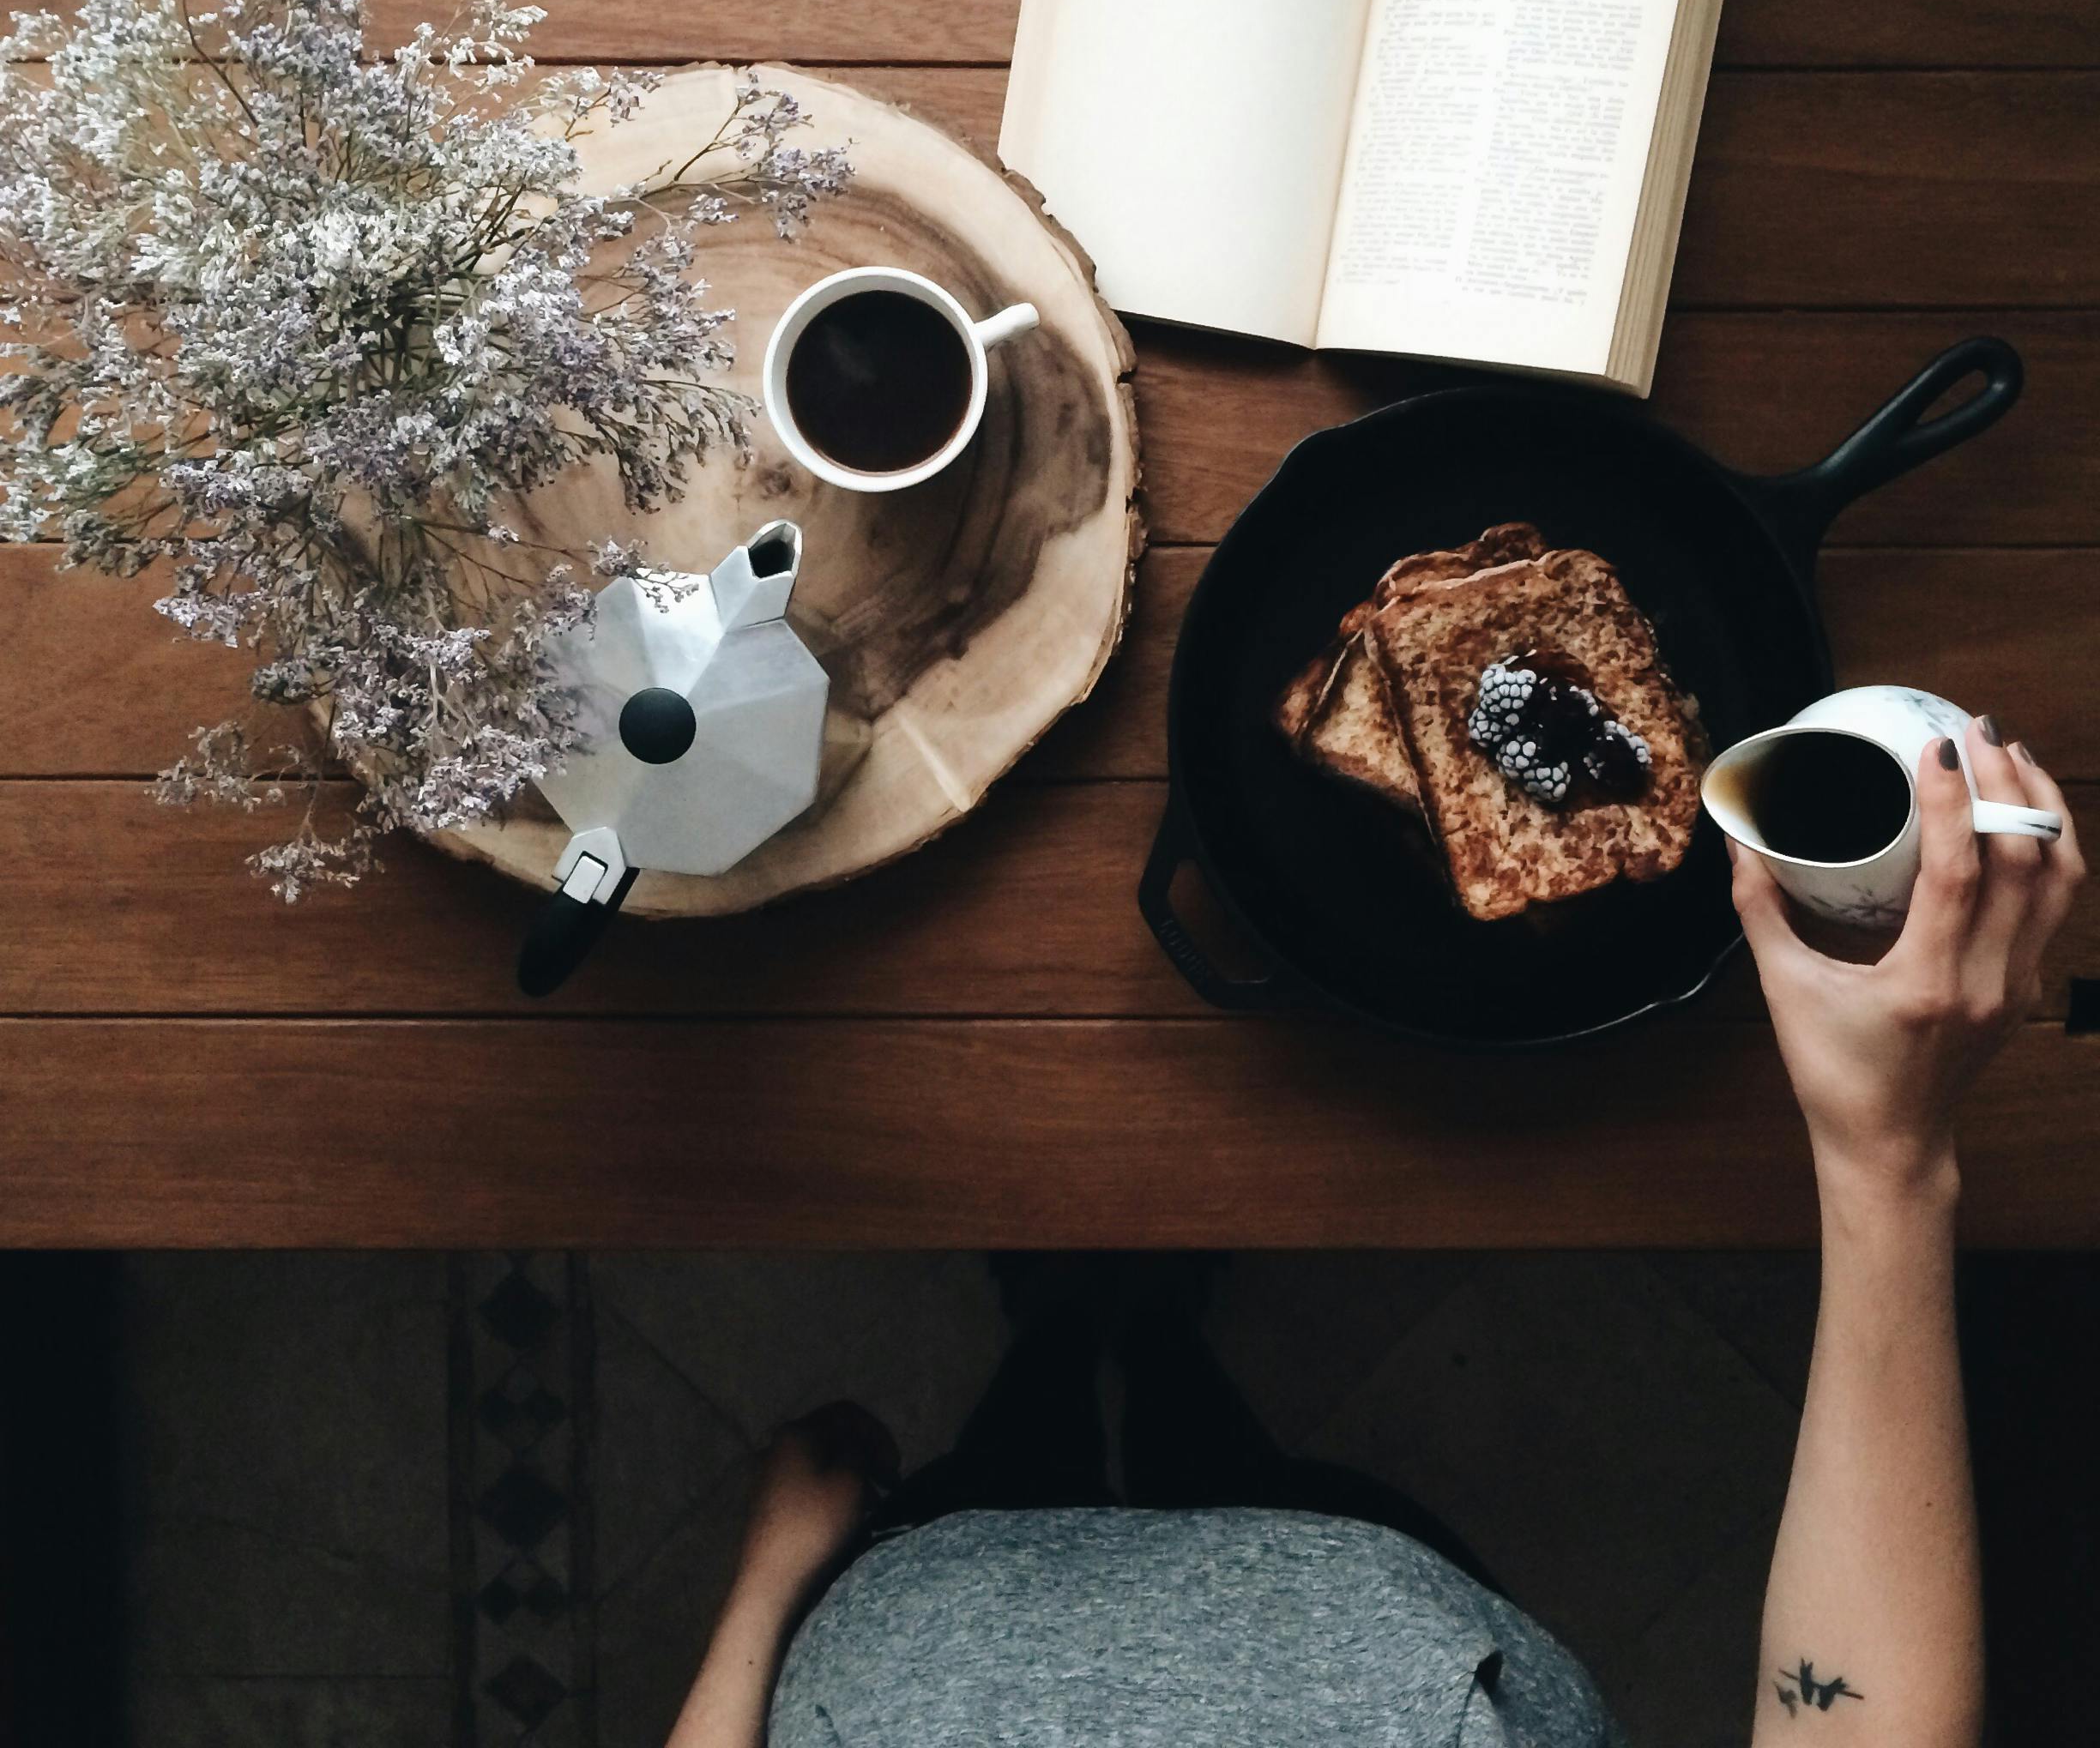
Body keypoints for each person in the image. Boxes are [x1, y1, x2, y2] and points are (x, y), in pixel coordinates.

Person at [667, 724, 2082, 1748]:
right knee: (1231, 1468)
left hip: (923, 1607)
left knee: (1021, 1444)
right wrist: (1888, 1157)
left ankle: (1082, 1333)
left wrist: (771, 1585)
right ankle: (1147, 1354)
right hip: (1381, 1625)